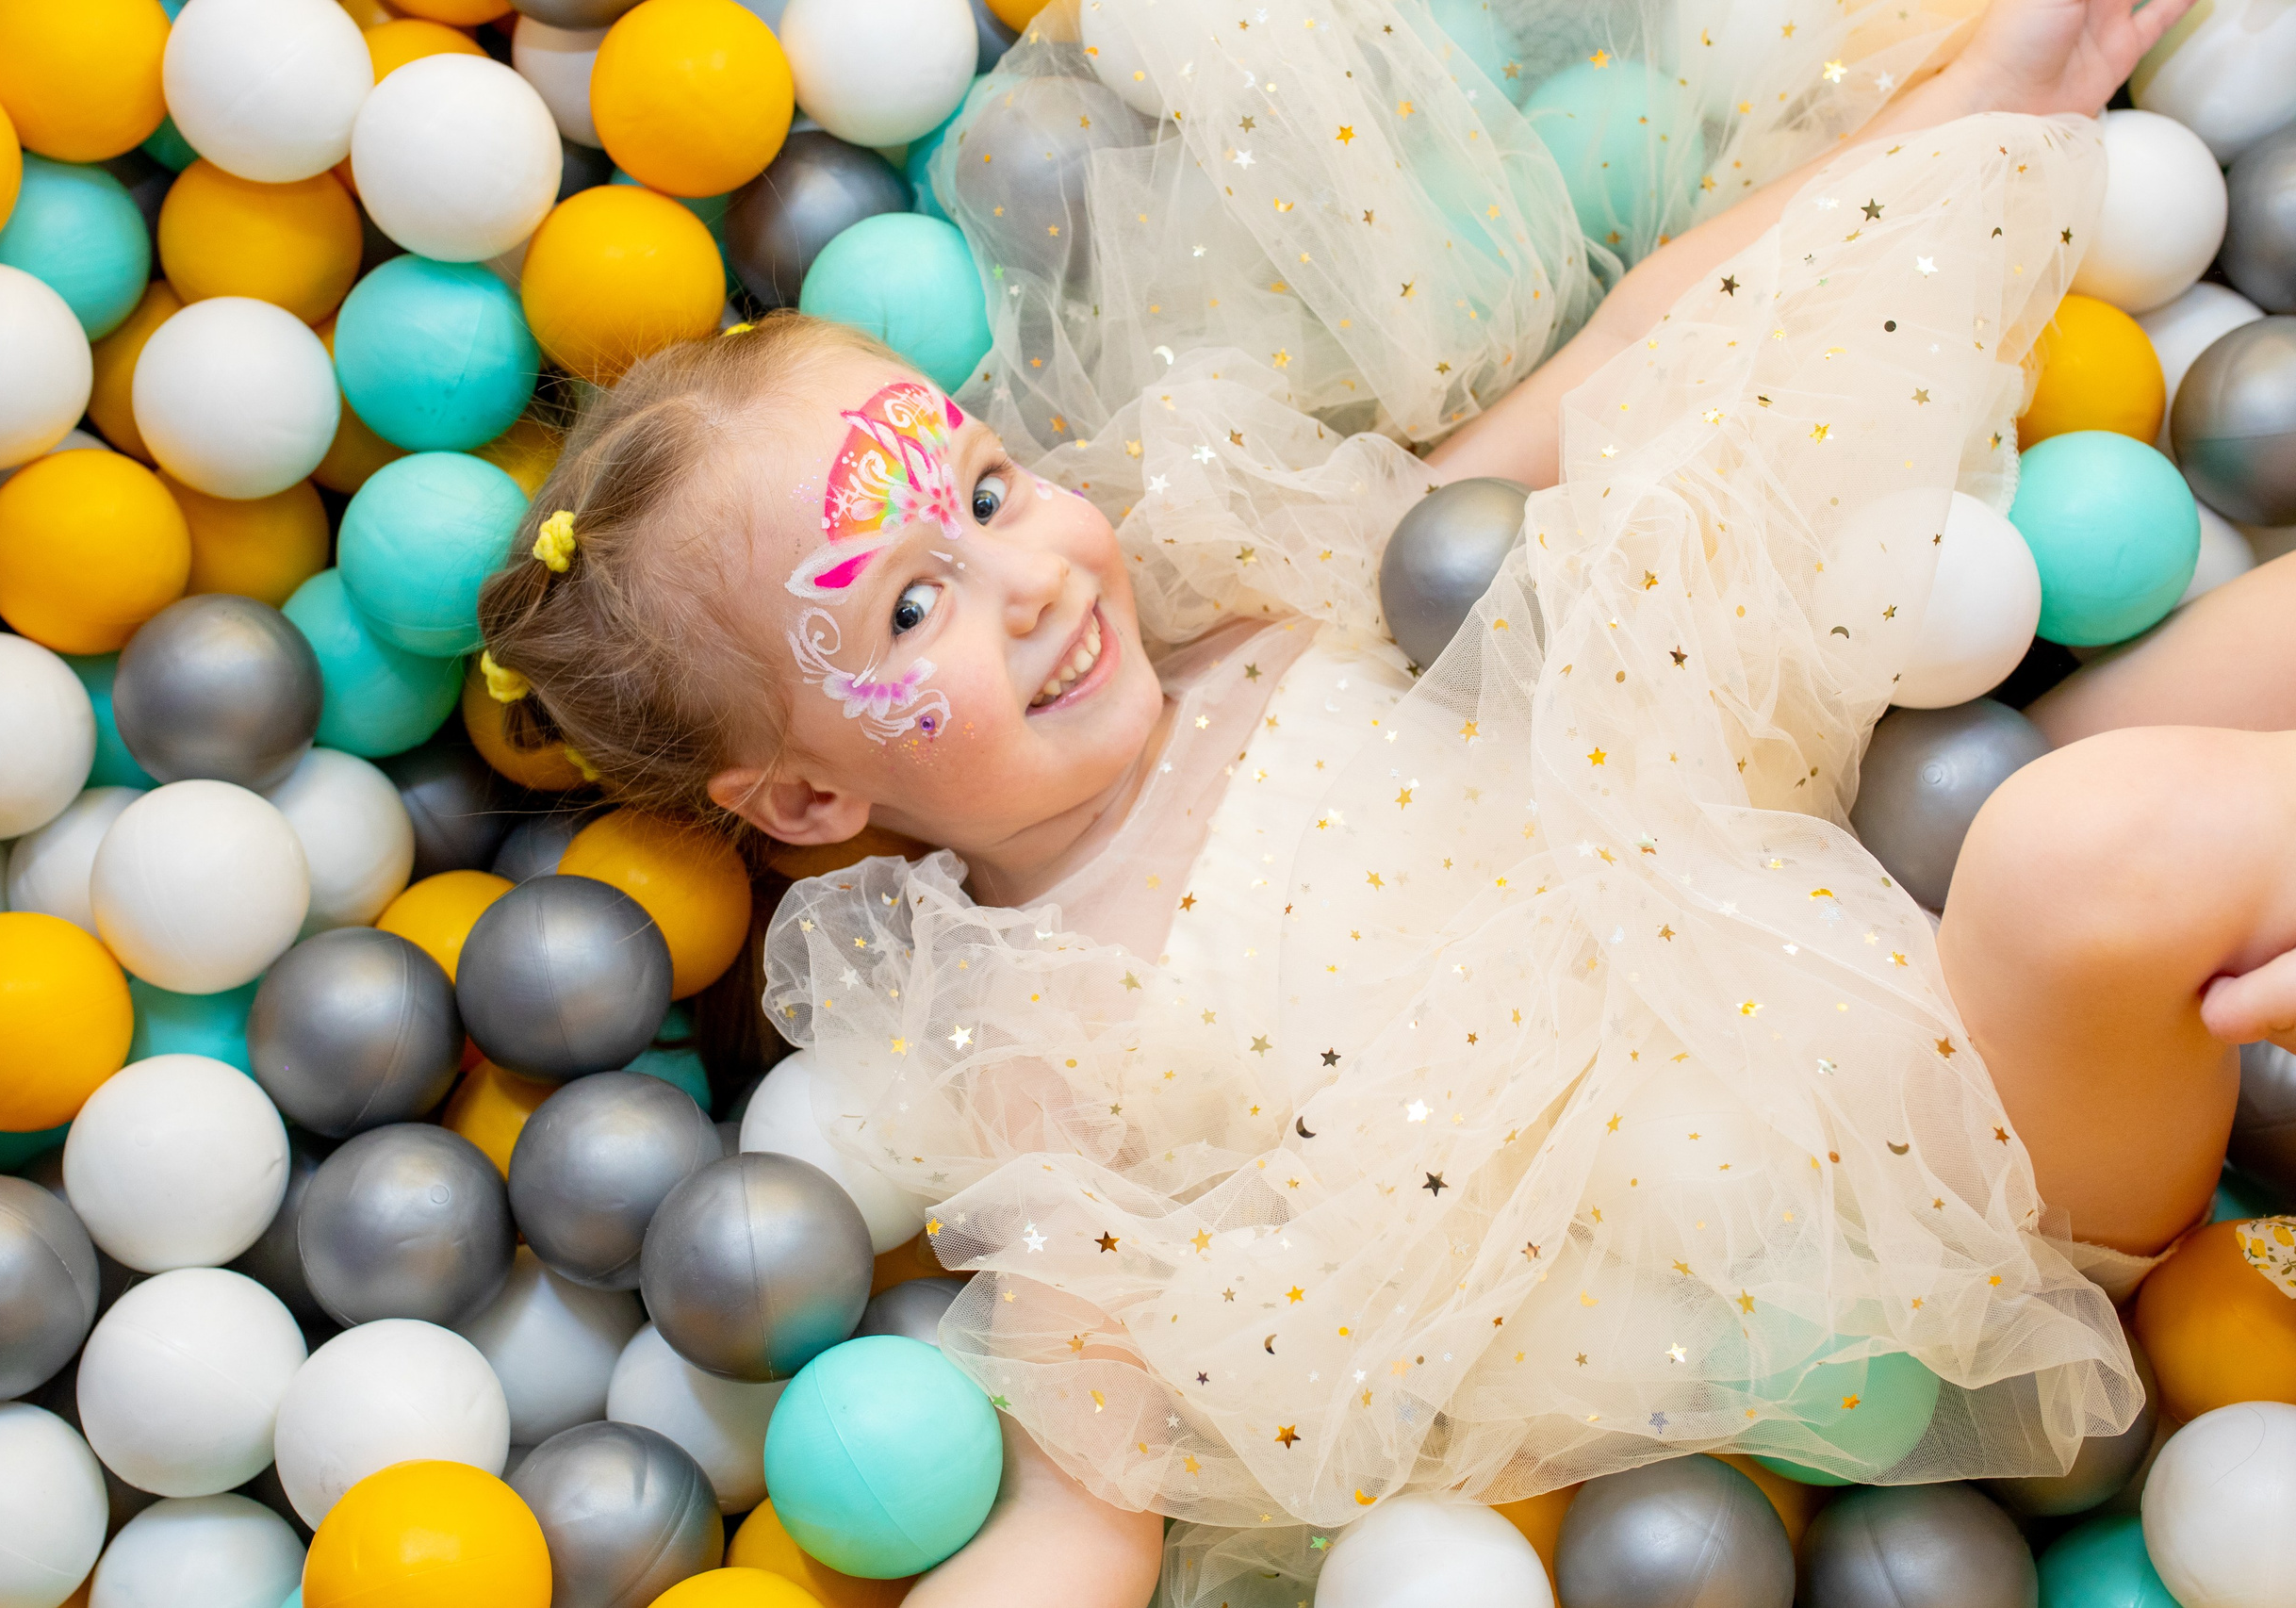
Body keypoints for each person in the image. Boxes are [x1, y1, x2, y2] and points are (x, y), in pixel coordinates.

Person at [477, 0, 2222, 1600]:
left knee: (2157, 727)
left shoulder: (1276, 585)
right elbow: (1086, 1510)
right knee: (2084, 850)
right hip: (1956, 1206)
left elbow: (1636, 353)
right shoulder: (1031, 1033)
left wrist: (1984, 105)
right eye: (909, 610)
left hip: (1896, 885)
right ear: (801, 797)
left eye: (990, 494)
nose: (1027, 582)